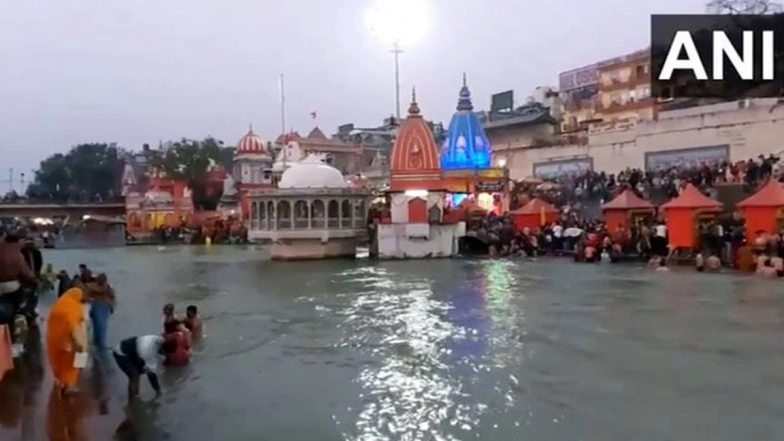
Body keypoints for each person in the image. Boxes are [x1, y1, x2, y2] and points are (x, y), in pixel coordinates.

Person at [45, 287, 88, 395]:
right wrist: (80, 345)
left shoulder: (59, 304)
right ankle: (68, 386)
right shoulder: (74, 308)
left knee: (58, 361)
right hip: (68, 341)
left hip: (54, 339)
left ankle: (60, 381)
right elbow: (74, 326)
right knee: (70, 365)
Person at [0, 234, 36, 345]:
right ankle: (12, 336)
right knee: (16, 310)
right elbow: (26, 273)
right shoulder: (18, 254)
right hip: (12, 286)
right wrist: (33, 281)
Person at [86, 273, 116, 350]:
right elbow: (112, 297)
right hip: (103, 307)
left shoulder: (91, 286)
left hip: (96, 306)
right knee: (101, 327)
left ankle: (96, 342)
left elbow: (87, 296)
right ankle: (100, 344)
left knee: (97, 326)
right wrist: (112, 307)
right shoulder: (108, 287)